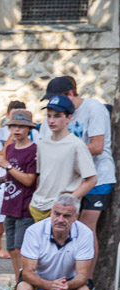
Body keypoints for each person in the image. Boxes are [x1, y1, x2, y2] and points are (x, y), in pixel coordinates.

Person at [39, 76, 115, 275]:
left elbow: (98, 146)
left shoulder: (94, 109)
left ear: (70, 94)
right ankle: (61, 278)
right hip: (67, 180)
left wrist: (66, 151)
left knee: (86, 229)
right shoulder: (53, 117)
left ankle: (86, 281)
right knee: (62, 228)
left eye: (57, 98)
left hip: (98, 176)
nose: (53, 108)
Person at [0, 109, 38, 288]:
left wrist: (6, 165)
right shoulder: (11, 148)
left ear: (29, 129)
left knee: (21, 248)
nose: (17, 129)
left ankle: (26, 283)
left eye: (21, 126)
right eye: (14, 125)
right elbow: (11, 176)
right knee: (12, 247)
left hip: (24, 205)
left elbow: (29, 180)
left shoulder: (34, 149)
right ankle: (17, 283)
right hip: (9, 202)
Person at [30, 96, 96, 224]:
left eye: (57, 116)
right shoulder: (43, 144)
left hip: (59, 211)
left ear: (69, 118)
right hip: (37, 206)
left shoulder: (76, 145)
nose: (51, 120)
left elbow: (91, 179)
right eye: (49, 116)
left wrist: (68, 200)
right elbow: (41, 176)